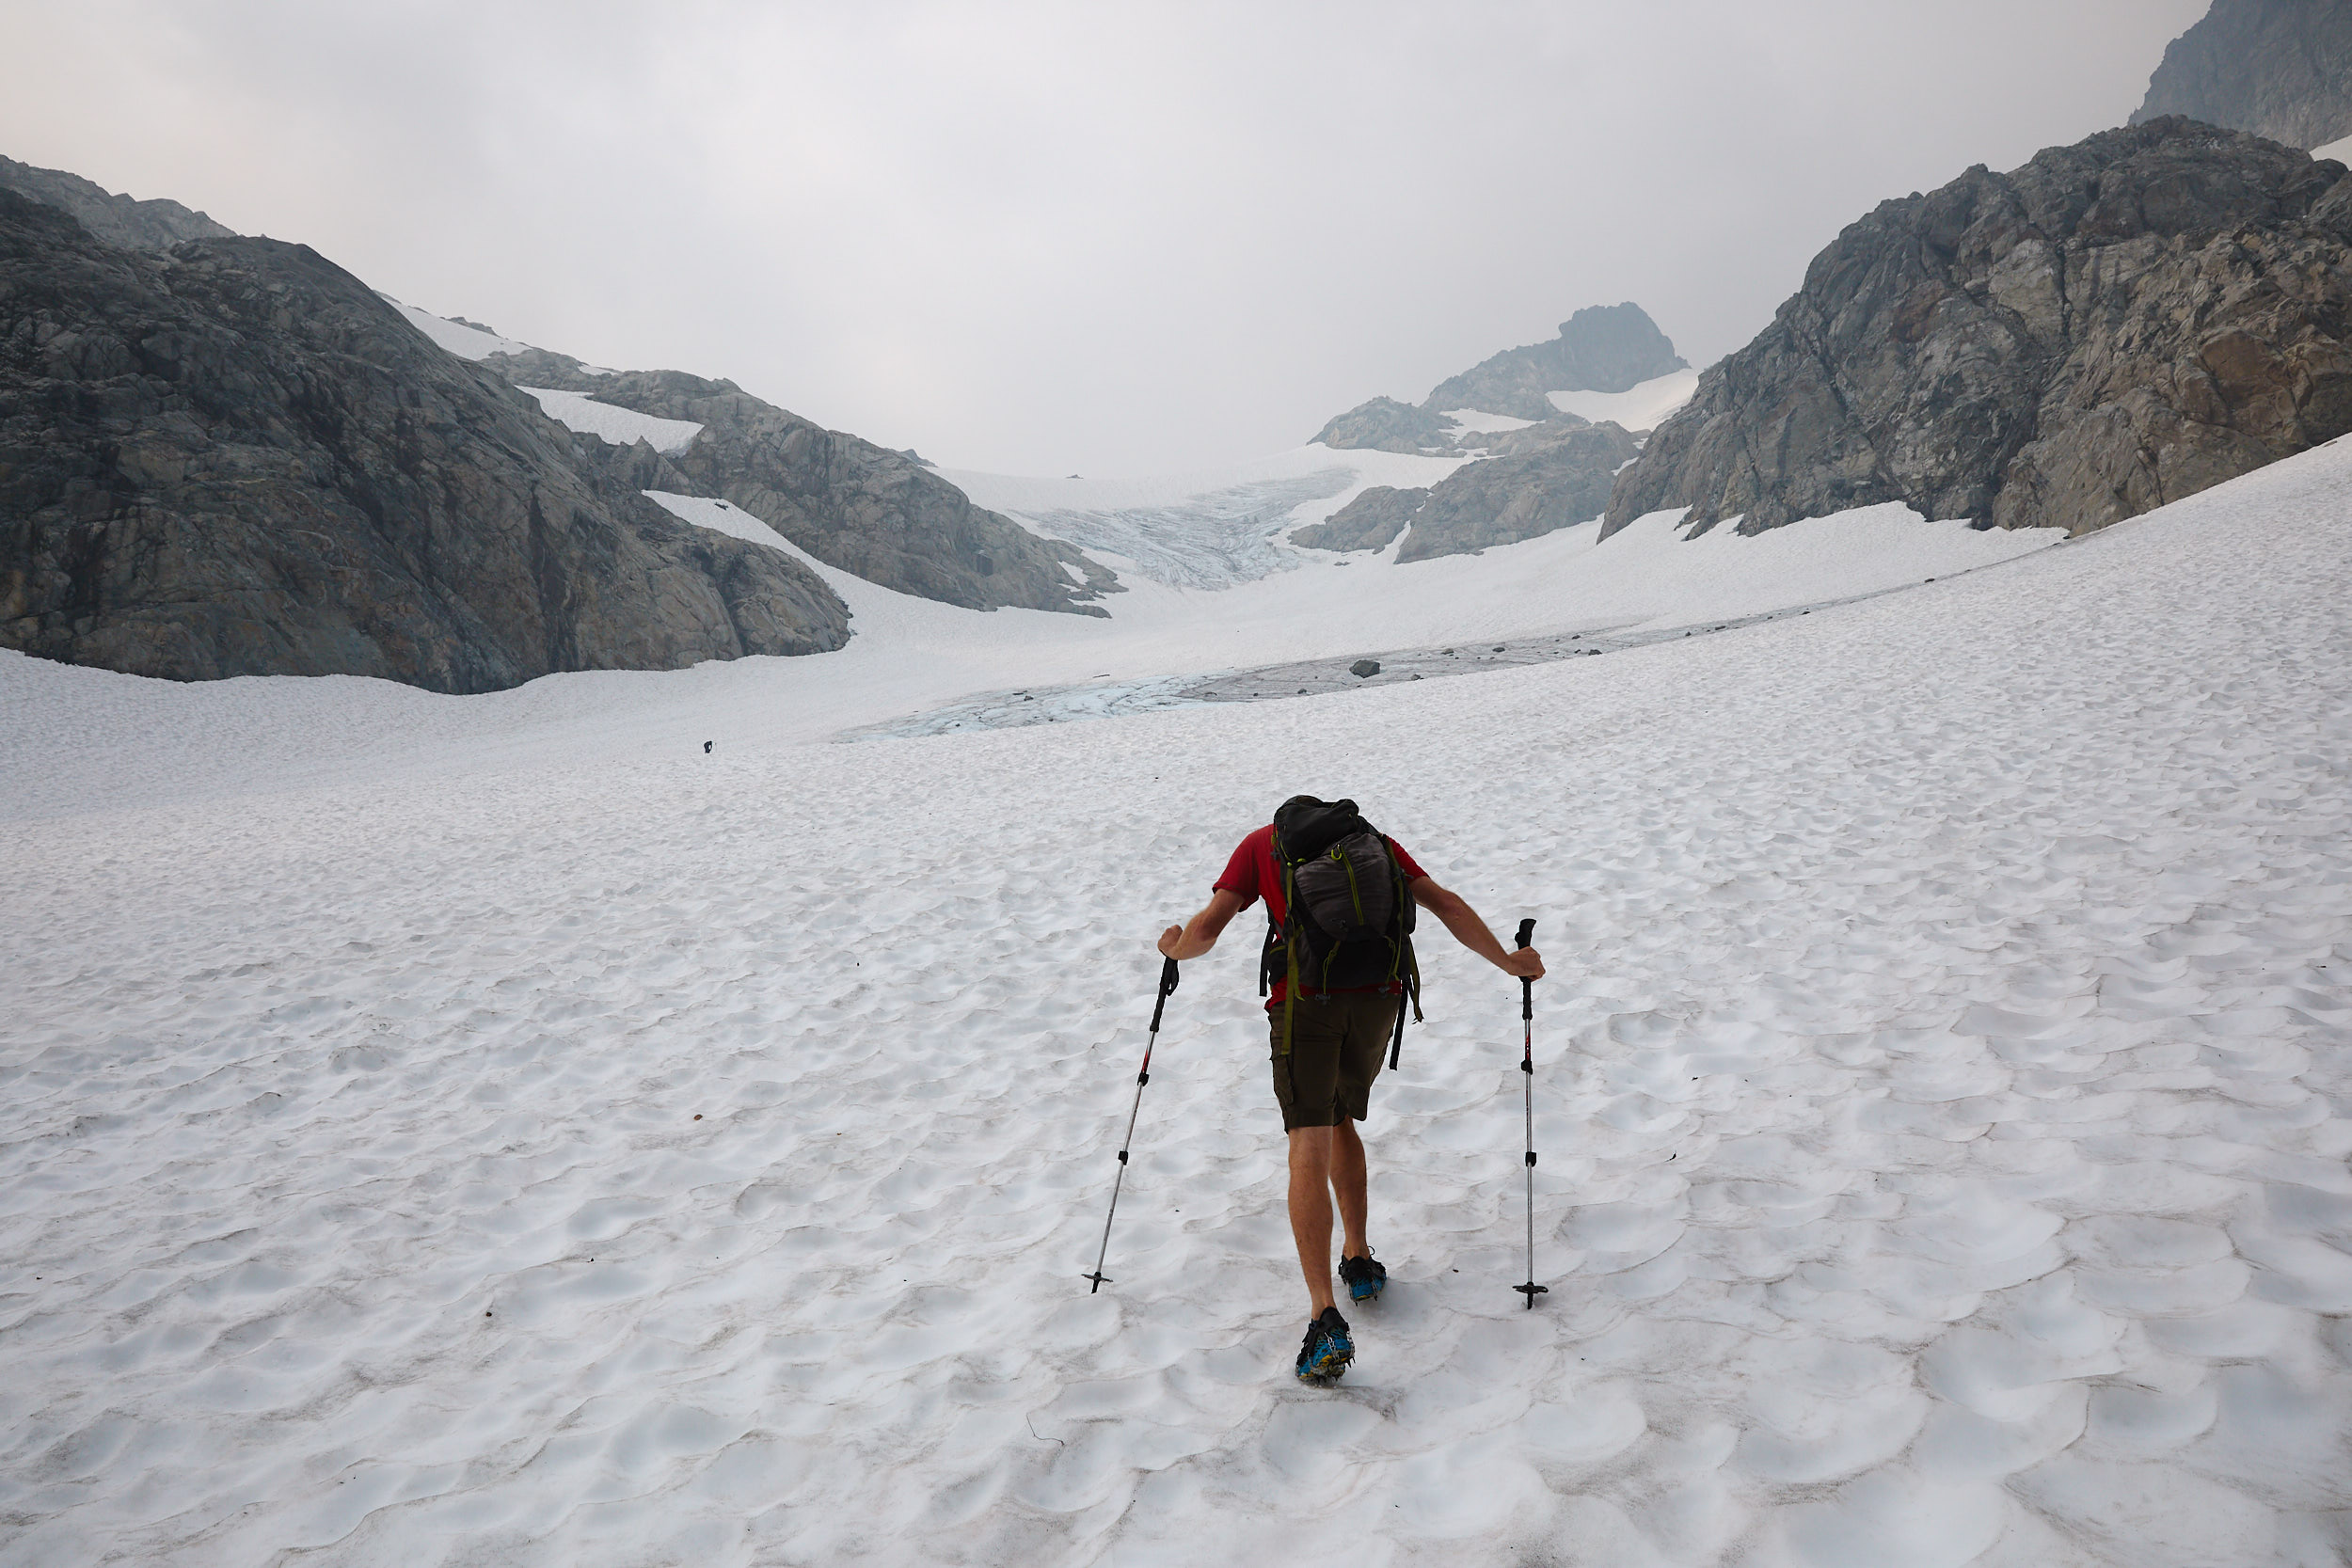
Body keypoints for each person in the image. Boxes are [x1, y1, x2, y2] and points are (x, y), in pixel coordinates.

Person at [1157, 800, 1544, 1384]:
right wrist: (1509, 963)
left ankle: (1323, 1315)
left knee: (1307, 1139)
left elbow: (1208, 928)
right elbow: (1445, 905)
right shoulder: (1376, 842)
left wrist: (1172, 948)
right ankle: (1358, 1258)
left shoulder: (1263, 845)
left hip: (1305, 1004)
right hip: (1379, 998)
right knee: (1341, 1120)